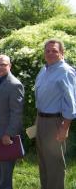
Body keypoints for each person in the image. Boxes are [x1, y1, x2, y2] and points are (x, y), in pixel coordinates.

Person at [35, 39, 76, 189]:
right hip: (40, 119)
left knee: (55, 164)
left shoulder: (66, 71)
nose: (50, 53)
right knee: (43, 161)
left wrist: (64, 128)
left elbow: (71, 104)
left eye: (54, 50)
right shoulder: (44, 70)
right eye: (48, 51)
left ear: (62, 53)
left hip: (55, 122)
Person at [0, 55, 24, 189]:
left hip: (6, 132)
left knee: (7, 165)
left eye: (3, 64)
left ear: (10, 66)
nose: (0, 67)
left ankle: (5, 186)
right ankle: (1, 184)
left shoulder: (15, 85)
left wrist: (9, 133)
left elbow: (17, 113)